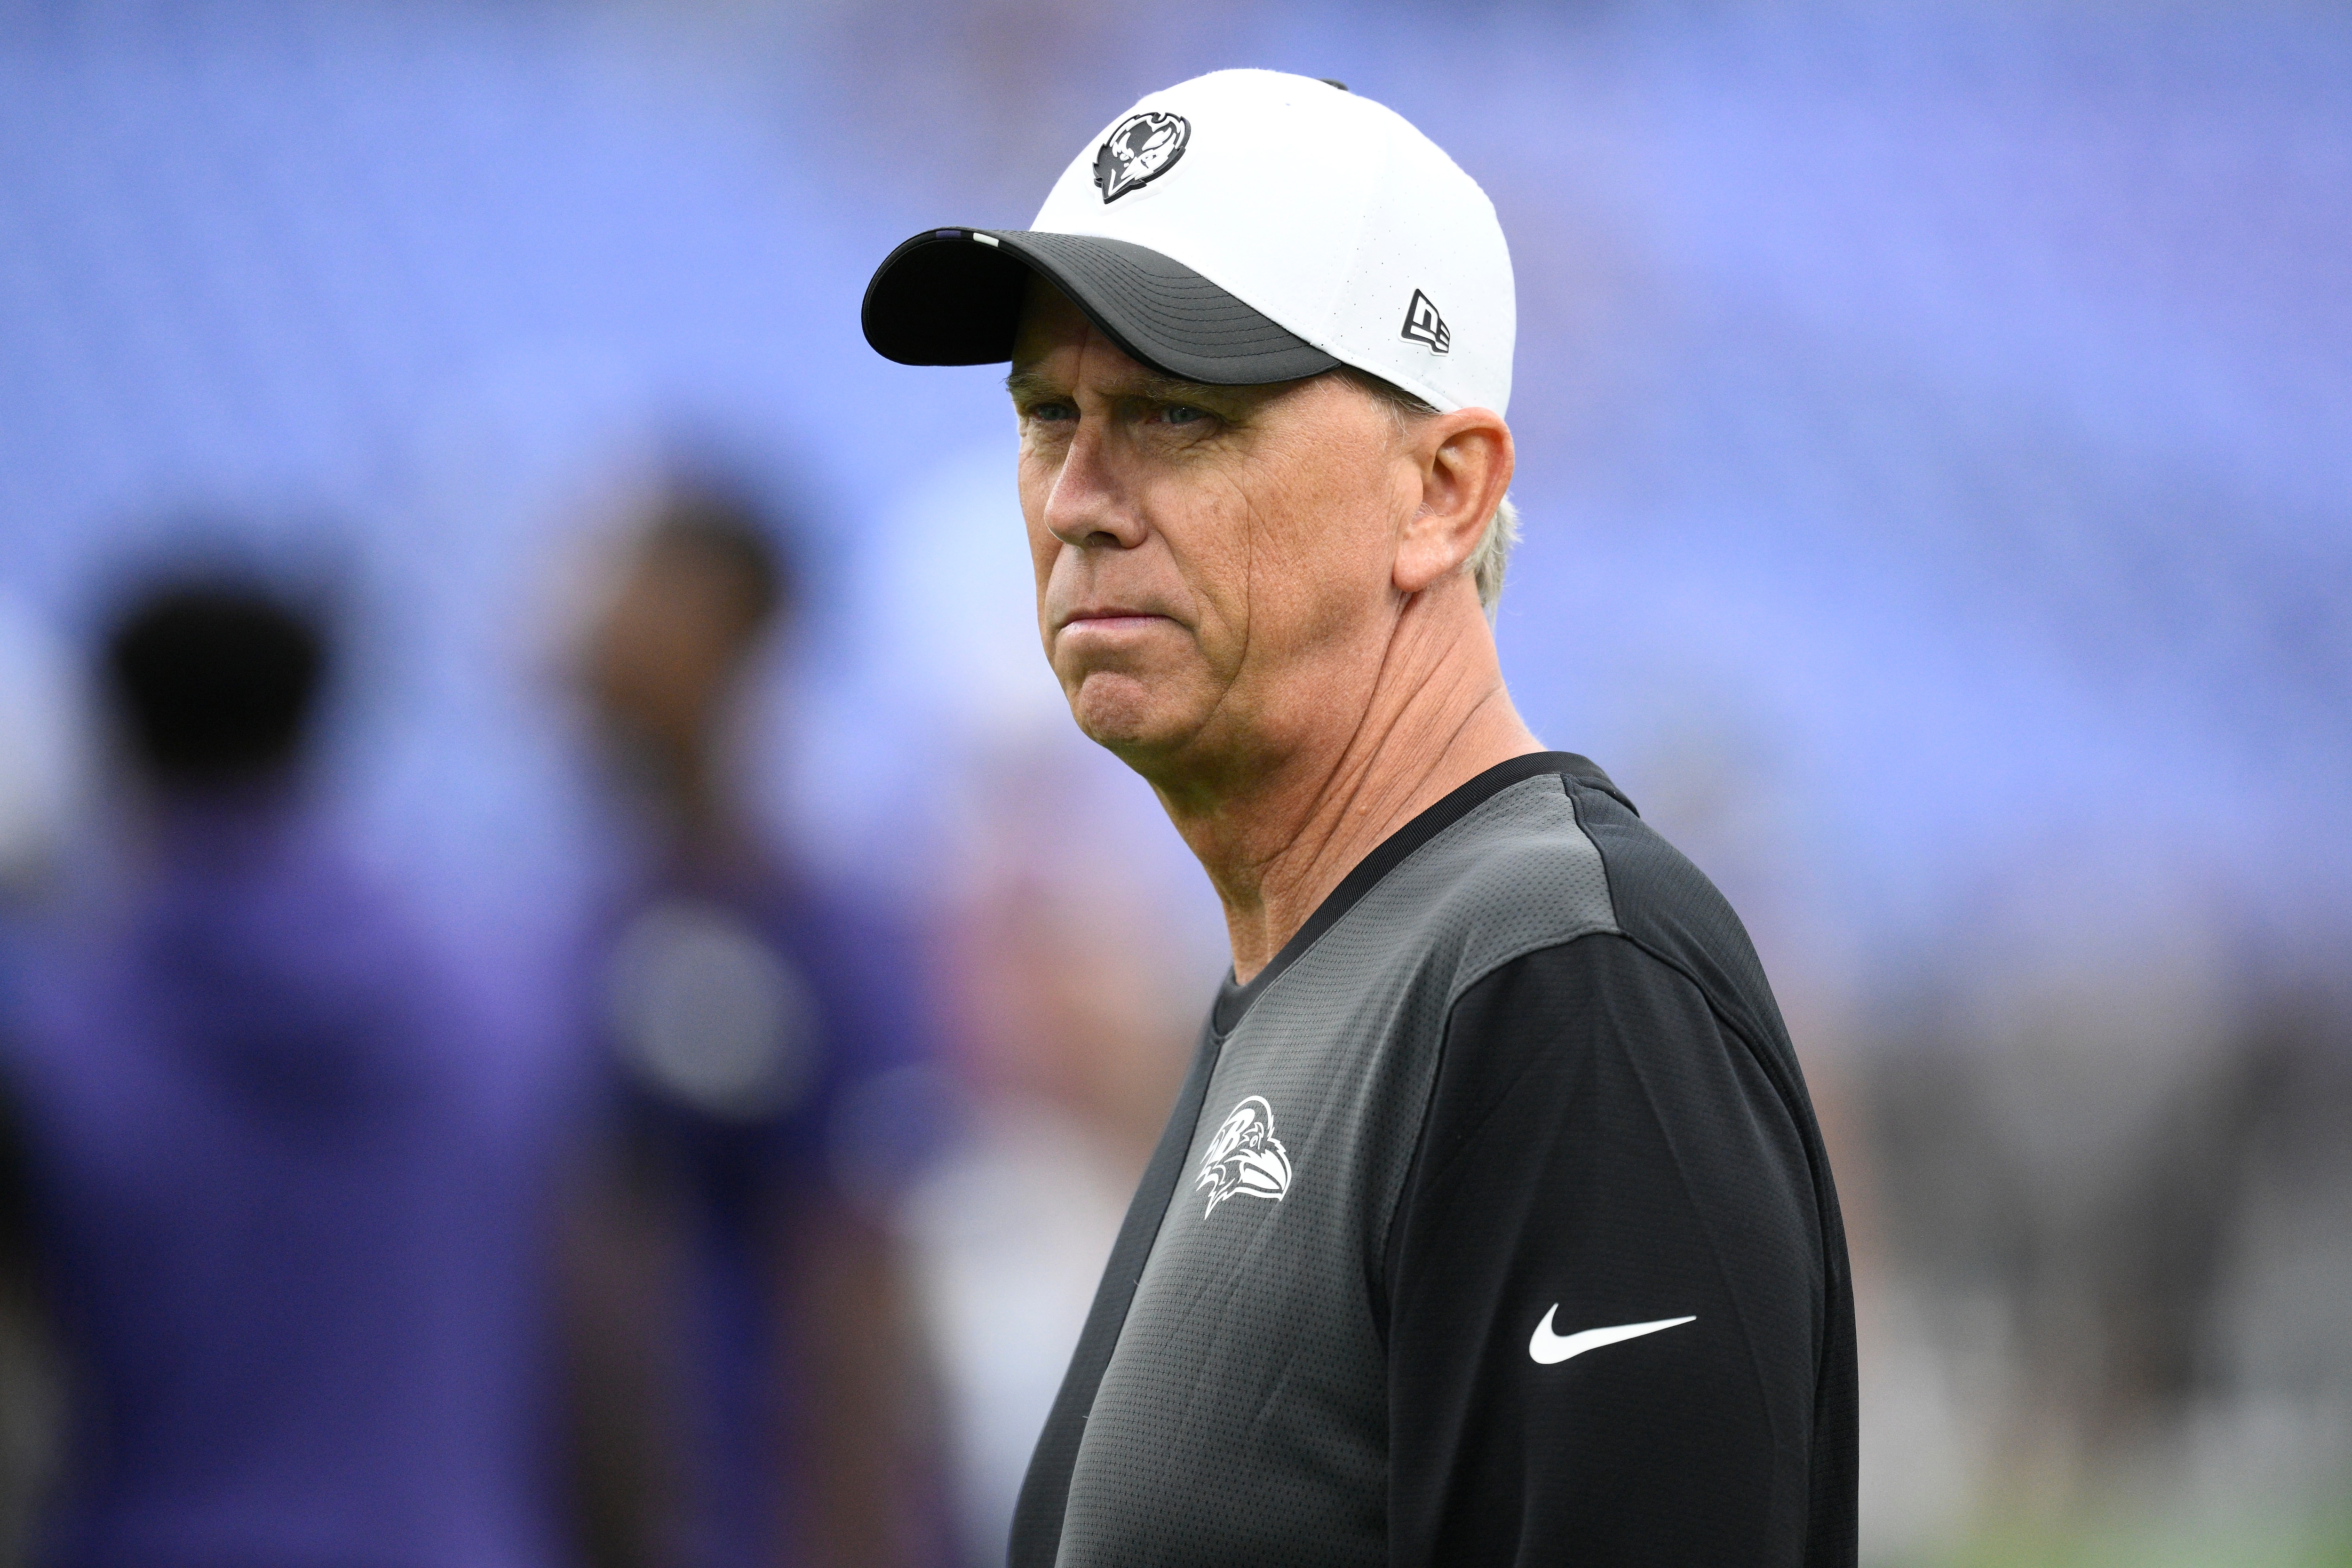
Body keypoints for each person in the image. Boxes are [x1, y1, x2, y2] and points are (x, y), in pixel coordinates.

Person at [860, 69, 1858, 1566]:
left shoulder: (1564, 975)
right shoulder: (1334, 966)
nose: (1078, 495)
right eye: (1046, 412)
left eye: (1176, 414)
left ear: (1444, 493)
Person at [1, 578, 562, 1568]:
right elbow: (590, 1334)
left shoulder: (62, 1050)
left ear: (116, 743)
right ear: (319, 730)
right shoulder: (493, 1013)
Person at [557, 484, 941, 1568]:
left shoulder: (830, 938)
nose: (591, 627)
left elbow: (858, 1293)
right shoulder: (572, 928)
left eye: (632, 585)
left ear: (732, 623)